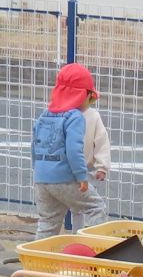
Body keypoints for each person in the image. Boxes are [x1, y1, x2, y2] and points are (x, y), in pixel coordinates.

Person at [31, 63, 107, 236]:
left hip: (42, 179)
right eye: (91, 97)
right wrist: (81, 176)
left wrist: (38, 172)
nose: (91, 102)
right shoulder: (74, 117)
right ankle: (97, 252)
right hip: (64, 178)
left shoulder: (44, 115)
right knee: (95, 207)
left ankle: (36, 260)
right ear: (82, 96)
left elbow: (34, 146)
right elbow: (74, 151)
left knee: (47, 222)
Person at [83, 91, 111, 207]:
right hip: (63, 169)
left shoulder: (93, 116)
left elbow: (102, 141)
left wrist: (102, 167)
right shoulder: (62, 113)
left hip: (86, 169)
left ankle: (78, 225)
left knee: (86, 205)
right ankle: (72, 225)